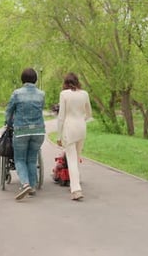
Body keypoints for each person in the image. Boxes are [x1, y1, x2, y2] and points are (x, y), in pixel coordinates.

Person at [5, 68, 46, 200]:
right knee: (32, 159)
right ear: (36, 79)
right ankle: (32, 186)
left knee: (20, 159)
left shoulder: (17, 94)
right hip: (39, 131)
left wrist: (8, 123)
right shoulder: (41, 94)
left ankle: (25, 184)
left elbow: (9, 111)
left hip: (21, 131)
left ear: (22, 79)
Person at [56, 72, 92, 201]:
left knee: (71, 159)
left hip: (69, 128)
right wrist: (82, 119)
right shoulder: (84, 94)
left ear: (65, 83)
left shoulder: (64, 94)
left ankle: (76, 189)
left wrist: (58, 135)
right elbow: (89, 114)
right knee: (76, 158)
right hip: (81, 127)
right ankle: (76, 181)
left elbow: (61, 117)